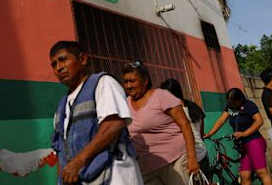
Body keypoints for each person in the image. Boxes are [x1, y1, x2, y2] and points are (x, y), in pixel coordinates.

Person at [49, 41, 143, 185]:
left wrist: (77, 162)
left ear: (83, 59)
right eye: (54, 64)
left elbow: (113, 125)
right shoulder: (62, 106)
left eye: (63, 60)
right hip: (85, 179)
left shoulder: (103, 83)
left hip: (114, 175)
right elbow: (60, 150)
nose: (59, 68)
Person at [122, 61, 199, 184]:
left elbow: (185, 124)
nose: (128, 86)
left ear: (145, 81)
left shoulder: (161, 96)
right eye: (125, 82)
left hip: (175, 160)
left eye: (132, 81)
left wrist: (192, 158)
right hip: (147, 167)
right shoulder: (124, 103)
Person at [204, 88, 272, 185]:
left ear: (240, 100)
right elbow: (221, 120)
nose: (231, 105)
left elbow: (259, 121)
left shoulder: (248, 105)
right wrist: (210, 133)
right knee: (244, 175)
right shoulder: (230, 107)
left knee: (262, 173)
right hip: (243, 145)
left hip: (254, 141)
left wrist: (244, 133)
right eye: (229, 102)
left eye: (234, 103)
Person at [160, 78, 210, 177]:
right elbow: (201, 133)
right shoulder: (194, 107)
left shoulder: (174, 111)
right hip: (202, 155)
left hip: (189, 160)